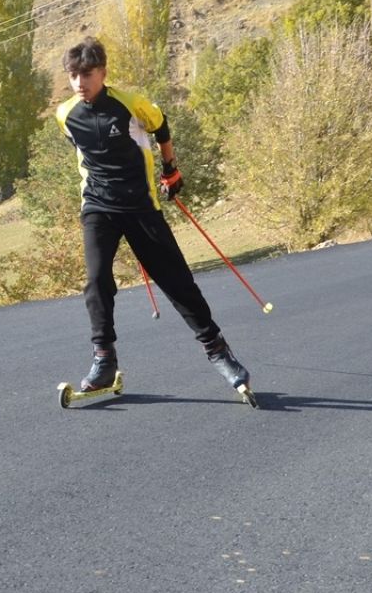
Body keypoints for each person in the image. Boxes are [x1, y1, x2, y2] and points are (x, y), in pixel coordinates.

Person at [54, 36, 251, 400]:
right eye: (73, 75)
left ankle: (218, 351)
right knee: (96, 282)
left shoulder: (130, 105)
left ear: (103, 73)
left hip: (141, 207)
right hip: (98, 207)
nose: (80, 82)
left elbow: (161, 127)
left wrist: (171, 169)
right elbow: (83, 152)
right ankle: (103, 358)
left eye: (87, 74)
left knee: (178, 284)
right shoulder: (66, 115)